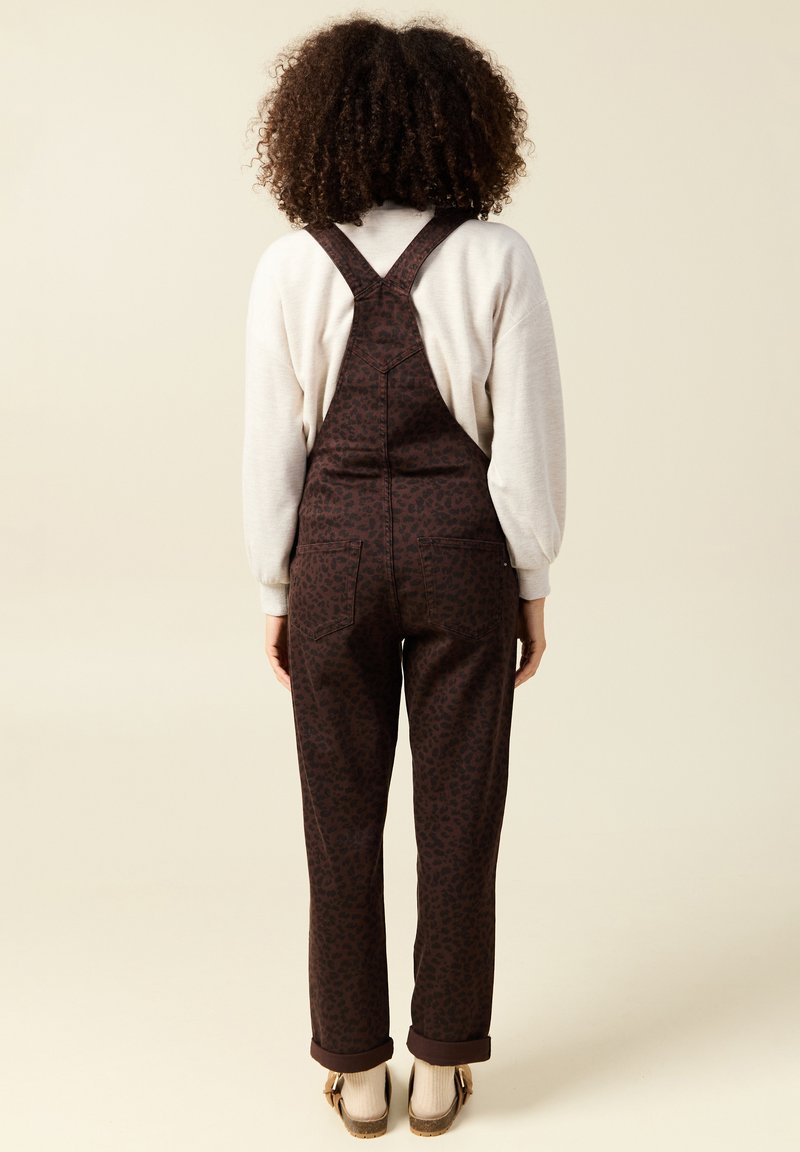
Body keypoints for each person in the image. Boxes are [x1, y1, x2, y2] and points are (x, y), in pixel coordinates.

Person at [242, 13, 566, 1139]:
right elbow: (526, 444)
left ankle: (356, 1070)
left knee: (337, 821)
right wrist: (529, 579)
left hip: (330, 554)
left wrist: (276, 590)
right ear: (462, 125)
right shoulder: (498, 257)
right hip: (460, 553)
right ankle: (440, 1065)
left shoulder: (290, 264)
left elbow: (271, 449)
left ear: (317, 127)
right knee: (459, 815)